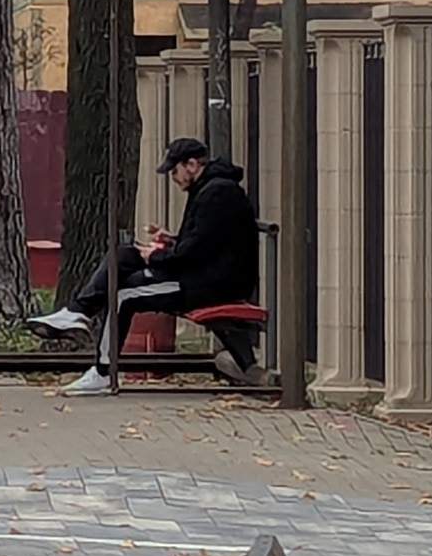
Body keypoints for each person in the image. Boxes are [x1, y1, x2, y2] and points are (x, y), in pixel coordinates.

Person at [33, 136, 262, 390]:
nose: (173, 178)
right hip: (204, 275)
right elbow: (205, 243)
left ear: (192, 165)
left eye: (175, 171)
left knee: (122, 295)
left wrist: (155, 256)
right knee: (124, 255)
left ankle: (102, 369)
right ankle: (77, 312)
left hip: (209, 284)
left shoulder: (216, 194)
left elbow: (196, 251)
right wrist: (170, 241)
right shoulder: (210, 189)